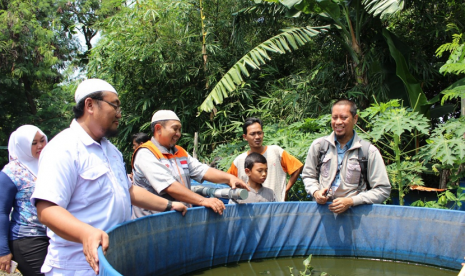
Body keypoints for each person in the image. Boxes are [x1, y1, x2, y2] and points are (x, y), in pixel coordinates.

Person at [30, 79, 187, 276]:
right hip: (79, 267)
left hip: (115, 259)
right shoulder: (63, 148)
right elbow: (47, 209)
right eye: (115, 105)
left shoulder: (111, 151)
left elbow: (128, 190)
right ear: (90, 105)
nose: (120, 114)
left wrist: (169, 205)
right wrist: (85, 233)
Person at [131, 110, 249, 218]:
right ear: (158, 129)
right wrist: (203, 201)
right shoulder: (146, 154)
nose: (178, 134)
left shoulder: (179, 151)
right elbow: (169, 186)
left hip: (178, 220)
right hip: (151, 224)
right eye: (175, 129)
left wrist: (229, 178)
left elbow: (202, 170)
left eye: (179, 130)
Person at [302, 99, 391, 214]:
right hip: (323, 216)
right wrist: (315, 192)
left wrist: (352, 201)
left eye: (344, 118)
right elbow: (308, 175)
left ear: (355, 119)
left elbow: (382, 189)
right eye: (334, 118)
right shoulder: (319, 146)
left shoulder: (368, 151)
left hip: (355, 218)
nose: (338, 122)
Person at [0, 125, 48, 276]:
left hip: (53, 235)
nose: (40, 146)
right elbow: (1, 212)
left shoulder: (49, 164)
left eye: (42, 140)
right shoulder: (11, 172)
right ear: (22, 146)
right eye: (33, 143)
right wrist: (3, 250)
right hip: (27, 239)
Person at [227, 117, 303, 202]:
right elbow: (228, 179)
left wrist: (285, 191)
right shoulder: (239, 160)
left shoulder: (276, 152)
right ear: (245, 137)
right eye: (252, 134)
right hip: (249, 209)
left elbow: (297, 167)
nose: (257, 137)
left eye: (259, 133)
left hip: (275, 206)